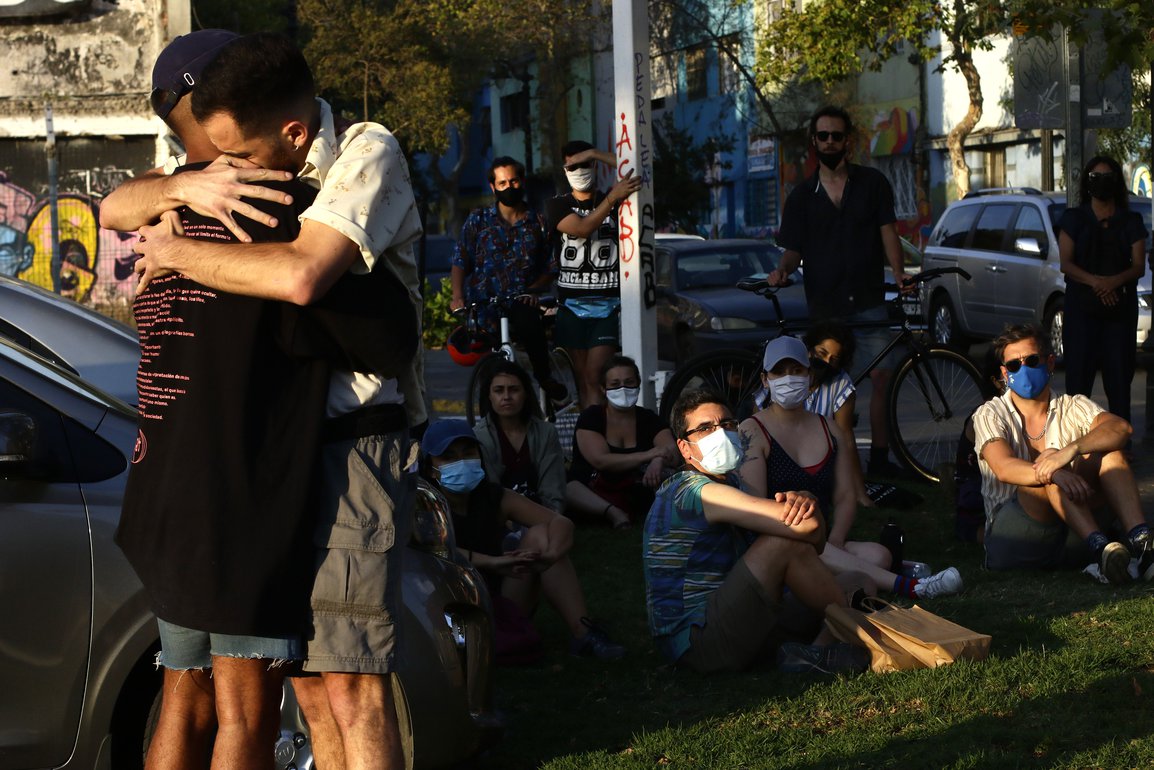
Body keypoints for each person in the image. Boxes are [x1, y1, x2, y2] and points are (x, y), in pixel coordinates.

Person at [125, 33, 424, 770]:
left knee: (352, 683)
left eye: (239, 157)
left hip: (353, 444)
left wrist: (173, 250)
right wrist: (178, 191)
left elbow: (300, 276)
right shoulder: (243, 169)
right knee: (311, 689)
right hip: (273, 454)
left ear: (291, 134)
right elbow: (114, 205)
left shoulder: (365, 152)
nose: (229, 173)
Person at [110, 30, 334, 770]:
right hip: (237, 499)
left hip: (162, 490)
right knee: (246, 713)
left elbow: (113, 205)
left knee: (184, 696)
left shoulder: (157, 214)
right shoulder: (278, 208)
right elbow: (367, 329)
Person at [643, 388, 874, 674]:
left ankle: (815, 652)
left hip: (735, 615)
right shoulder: (695, 491)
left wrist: (806, 501)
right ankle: (852, 633)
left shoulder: (732, 485)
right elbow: (806, 530)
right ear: (685, 448)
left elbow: (814, 540)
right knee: (782, 543)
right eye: (705, 428)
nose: (720, 433)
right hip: (697, 642)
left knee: (859, 581)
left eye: (727, 424)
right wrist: (808, 507)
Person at [739, 335, 963, 600]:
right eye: (779, 372)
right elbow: (754, 508)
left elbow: (845, 496)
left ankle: (847, 574)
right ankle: (913, 587)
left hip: (822, 543)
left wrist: (834, 540)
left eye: (796, 370)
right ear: (765, 380)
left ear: (810, 376)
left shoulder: (829, 429)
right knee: (826, 553)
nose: (789, 378)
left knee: (878, 555)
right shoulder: (752, 430)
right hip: (779, 540)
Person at [768, 105, 911, 478]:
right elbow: (793, 249)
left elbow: (888, 233)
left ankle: (880, 460)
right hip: (826, 307)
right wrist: (782, 269)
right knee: (822, 388)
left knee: (881, 380)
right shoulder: (802, 196)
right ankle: (823, 462)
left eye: (836, 135)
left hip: (868, 298)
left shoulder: (873, 183)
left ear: (848, 141)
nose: (829, 142)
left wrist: (899, 273)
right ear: (814, 141)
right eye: (823, 136)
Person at [420, 420, 625, 659]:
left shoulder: (496, 497)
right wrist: (492, 562)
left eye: (468, 453)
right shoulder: (421, 504)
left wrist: (549, 557)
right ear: (430, 468)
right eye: (448, 457)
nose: (461, 462)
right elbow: (434, 550)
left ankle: (584, 634)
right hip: (451, 605)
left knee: (543, 536)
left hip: (501, 599)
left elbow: (560, 522)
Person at [973, 323, 1153, 585]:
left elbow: (1121, 428)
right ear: (1004, 373)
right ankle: (1100, 548)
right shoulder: (990, 413)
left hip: (1071, 530)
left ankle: (1143, 546)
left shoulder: (1073, 405)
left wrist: (1071, 450)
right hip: (1015, 537)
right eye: (1013, 365)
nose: (1023, 370)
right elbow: (1003, 467)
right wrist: (1054, 470)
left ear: (1049, 362)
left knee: (1111, 455)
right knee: (1048, 466)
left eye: (1031, 360)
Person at [450, 156, 566, 402]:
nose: (509, 187)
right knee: (488, 367)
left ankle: (544, 378)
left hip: (522, 298)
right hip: (485, 303)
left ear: (522, 181)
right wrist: (457, 297)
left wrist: (533, 291)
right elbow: (460, 259)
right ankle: (488, 412)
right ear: (493, 187)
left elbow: (551, 266)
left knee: (529, 324)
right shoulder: (478, 220)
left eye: (513, 181)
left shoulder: (538, 222)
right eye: (502, 183)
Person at [546, 140, 641, 407]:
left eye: (585, 163)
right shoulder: (557, 205)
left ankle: (597, 427)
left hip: (608, 305)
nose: (579, 170)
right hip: (571, 305)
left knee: (595, 374)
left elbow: (637, 170)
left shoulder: (618, 198)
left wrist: (596, 153)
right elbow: (583, 228)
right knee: (583, 380)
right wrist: (612, 198)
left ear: (595, 165)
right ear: (564, 169)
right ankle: (590, 428)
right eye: (572, 165)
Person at [1058, 155, 1147, 425]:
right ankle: (1075, 440)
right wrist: (1097, 282)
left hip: (1119, 313)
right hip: (1081, 312)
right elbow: (1066, 264)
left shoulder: (1131, 221)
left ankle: (1120, 442)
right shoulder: (1074, 219)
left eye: (1107, 178)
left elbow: (1138, 266)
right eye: (1095, 177)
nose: (1101, 183)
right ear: (1087, 182)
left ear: (1117, 182)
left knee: (1119, 383)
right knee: (1078, 385)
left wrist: (1113, 282)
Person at [565, 354, 678, 529]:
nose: (623, 389)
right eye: (615, 384)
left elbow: (671, 450)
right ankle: (613, 513)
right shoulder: (591, 416)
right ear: (603, 389)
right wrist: (650, 454)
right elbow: (601, 460)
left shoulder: (648, 418)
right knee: (568, 488)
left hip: (634, 486)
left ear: (638, 384)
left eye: (629, 382)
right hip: (591, 487)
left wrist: (658, 460)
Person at [473, 359, 568, 514]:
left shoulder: (546, 432)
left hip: (543, 514)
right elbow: (489, 495)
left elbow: (554, 490)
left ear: (525, 394)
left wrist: (550, 519)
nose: (506, 396)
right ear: (489, 396)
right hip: (500, 519)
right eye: (498, 390)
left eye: (514, 389)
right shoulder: (479, 437)